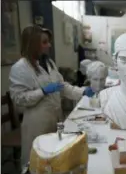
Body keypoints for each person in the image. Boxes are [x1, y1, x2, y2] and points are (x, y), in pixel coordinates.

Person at [9, 25, 95, 166]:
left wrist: (82, 91)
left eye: (48, 41)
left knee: (54, 158)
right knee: (36, 160)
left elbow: (62, 87)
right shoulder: (20, 68)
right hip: (37, 123)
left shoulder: (49, 63)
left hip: (55, 118)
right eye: (44, 42)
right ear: (33, 43)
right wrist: (42, 91)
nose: (49, 45)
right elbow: (19, 100)